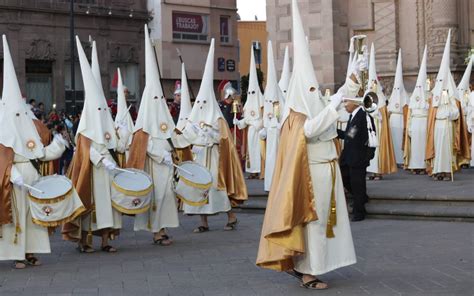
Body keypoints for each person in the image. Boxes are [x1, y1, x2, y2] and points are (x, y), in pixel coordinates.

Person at [256, 1, 360, 289]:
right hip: (311, 177)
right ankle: (307, 270)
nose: (315, 92)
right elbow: (312, 130)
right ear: (303, 90)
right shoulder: (295, 115)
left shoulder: (314, 107)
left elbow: (336, 111)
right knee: (314, 224)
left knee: (330, 223)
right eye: (311, 88)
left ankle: (321, 265)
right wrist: (336, 101)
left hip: (329, 172)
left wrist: (351, 79)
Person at [0, 35, 69, 269]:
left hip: (33, 180)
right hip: (15, 183)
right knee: (18, 219)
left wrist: (59, 144)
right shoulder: (3, 134)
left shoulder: (29, 129)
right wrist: (10, 173)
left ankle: (31, 252)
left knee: (33, 218)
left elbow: (42, 154)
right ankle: (18, 254)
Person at [62, 37, 130, 253]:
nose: (101, 114)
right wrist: (101, 160)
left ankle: (106, 240)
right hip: (92, 174)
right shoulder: (84, 130)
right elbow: (86, 150)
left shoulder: (108, 124)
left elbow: (118, 146)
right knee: (88, 207)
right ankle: (84, 241)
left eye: (104, 110)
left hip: (108, 175)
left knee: (108, 209)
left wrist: (125, 135)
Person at [126, 25, 190, 245]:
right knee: (157, 198)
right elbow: (145, 144)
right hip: (155, 167)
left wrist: (189, 135)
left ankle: (162, 229)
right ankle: (156, 231)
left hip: (167, 166)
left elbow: (175, 137)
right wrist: (157, 155)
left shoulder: (164, 116)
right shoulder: (143, 123)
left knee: (167, 197)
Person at [181, 39, 247, 233]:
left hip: (214, 158)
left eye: (204, 101)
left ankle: (231, 217)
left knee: (216, 189)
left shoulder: (217, 117)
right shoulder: (194, 117)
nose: (200, 104)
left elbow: (223, 137)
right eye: (198, 102)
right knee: (199, 188)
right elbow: (187, 136)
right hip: (199, 156)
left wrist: (209, 132)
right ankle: (203, 222)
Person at [425, 30, 470, 180]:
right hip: (438, 125)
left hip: (448, 125)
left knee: (447, 150)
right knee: (438, 148)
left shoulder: (452, 97)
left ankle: (446, 170)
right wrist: (440, 110)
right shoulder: (434, 96)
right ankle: (437, 170)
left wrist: (449, 112)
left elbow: (456, 113)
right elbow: (432, 113)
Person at [338, 96, 376, 221]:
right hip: (349, 156)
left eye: (346, 102)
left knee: (358, 184)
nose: (344, 105)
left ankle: (359, 212)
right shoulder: (353, 115)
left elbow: (371, 136)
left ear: (355, 103)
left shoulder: (364, 116)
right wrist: (335, 131)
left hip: (358, 157)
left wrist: (367, 156)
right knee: (344, 178)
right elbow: (350, 135)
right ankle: (361, 198)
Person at [366, 43, 397, 180]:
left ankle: (378, 171)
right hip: (368, 129)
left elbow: (381, 116)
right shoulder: (367, 98)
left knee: (377, 150)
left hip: (378, 131)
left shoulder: (382, 101)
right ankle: (371, 171)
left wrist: (375, 113)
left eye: (374, 84)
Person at [235, 45, 264, 179]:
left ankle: (260, 170)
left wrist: (259, 124)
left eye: (254, 92)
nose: (252, 94)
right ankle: (252, 171)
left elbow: (265, 117)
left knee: (258, 151)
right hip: (250, 132)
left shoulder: (261, 101)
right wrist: (239, 122)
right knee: (251, 152)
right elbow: (246, 120)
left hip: (258, 131)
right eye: (250, 92)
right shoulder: (247, 104)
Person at [259, 40, 285, 192]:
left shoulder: (282, 104)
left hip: (280, 140)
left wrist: (277, 122)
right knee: (270, 162)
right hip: (270, 141)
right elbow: (264, 126)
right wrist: (265, 129)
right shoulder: (267, 105)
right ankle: (270, 185)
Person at [403, 46, 429, 173]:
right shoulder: (413, 98)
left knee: (423, 145)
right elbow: (410, 115)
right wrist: (410, 128)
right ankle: (415, 165)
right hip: (415, 123)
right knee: (415, 146)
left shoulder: (429, 97)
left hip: (424, 123)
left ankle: (424, 166)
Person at [388, 50, 409, 165]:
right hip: (393, 121)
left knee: (400, 140)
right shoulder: (392, 97)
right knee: (393, 141)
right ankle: (394, 159)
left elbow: (406, 111)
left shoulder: (405, 97)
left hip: (401, 121)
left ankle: (401, 159)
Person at [114, 68, 134, 167]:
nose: (125, 94)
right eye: (124, 92)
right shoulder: (114, 107)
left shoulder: (131, 107)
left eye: (127, 92)